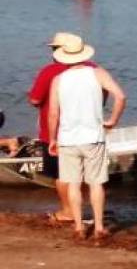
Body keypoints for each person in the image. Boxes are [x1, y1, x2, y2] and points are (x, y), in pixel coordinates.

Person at [48, 37, 126, 241]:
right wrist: (112, 120)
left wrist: (52, 139)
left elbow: (53, 113)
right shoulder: (97, 73)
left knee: (73, 184)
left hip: (68, 138)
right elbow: (120, 96)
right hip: (93, 137)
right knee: (96, 183)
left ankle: (78, 227)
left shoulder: (58, 79)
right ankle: (99, 227)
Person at [29, 32, 88, 223]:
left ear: (59, 51)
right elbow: (106, 94)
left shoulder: (49, 71)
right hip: (85, 130)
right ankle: (83, 211)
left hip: (55, 132)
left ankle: (68, 211)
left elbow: (35, 99)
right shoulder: (92, 69)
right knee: (81, 173)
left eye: (54, 48)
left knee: (61, 174)